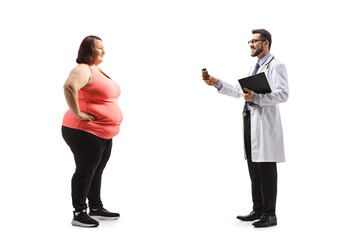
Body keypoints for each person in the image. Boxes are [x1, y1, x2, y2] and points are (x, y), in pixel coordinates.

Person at [203, 29, 288, 228]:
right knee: (253, 166)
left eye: (254, 41)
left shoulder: (277, 66)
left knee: (266, 168)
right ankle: (258, 209)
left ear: (266, 43)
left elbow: (283, 94)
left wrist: (257, 98)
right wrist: (218, 83)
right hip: (250, 120)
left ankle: (270, 214)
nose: (250, 44)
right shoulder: (254, 66)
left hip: (265, 125)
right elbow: (242, 93)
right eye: (249, 41)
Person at [62, 35, 123, 227]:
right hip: (84, 131)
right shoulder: (82, 69)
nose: (103, 51)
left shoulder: (97, 70)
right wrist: (78, 113)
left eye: (104, 47)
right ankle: (79, 213)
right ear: (88, 50)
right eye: (99, 48)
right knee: (86, 171)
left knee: (97, 171)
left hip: (103, 132)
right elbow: (69, 86)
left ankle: (95, 207)